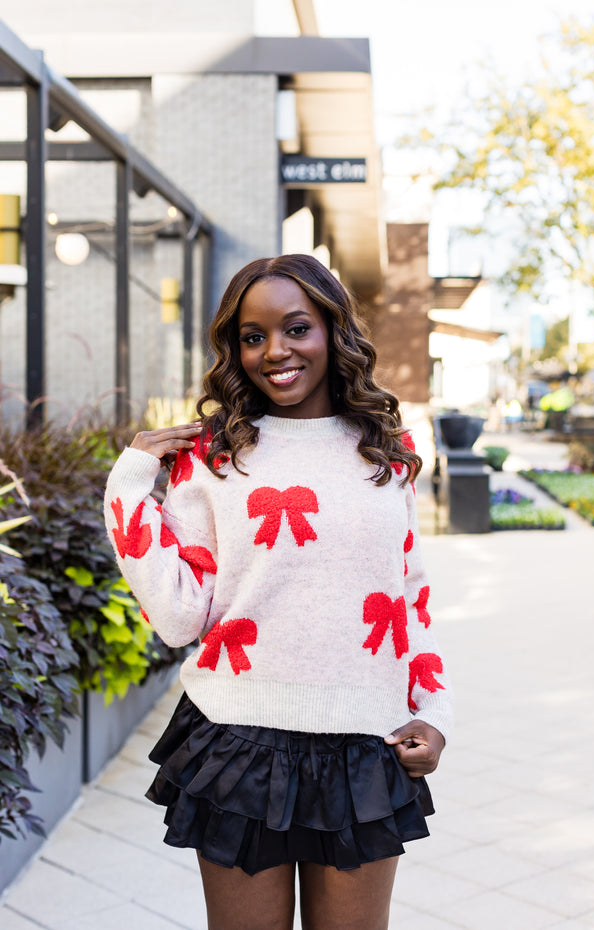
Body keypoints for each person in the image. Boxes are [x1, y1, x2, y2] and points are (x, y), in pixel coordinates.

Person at [104, 254, 453, 930]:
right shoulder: (214, 456)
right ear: (234, 349)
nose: (276, 352)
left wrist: (433, 710)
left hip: (365, 745)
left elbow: (407, 592)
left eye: (296, 328)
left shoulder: (385, 450)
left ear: (332, 330)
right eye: (252, 336)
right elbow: (179, 616)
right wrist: (130, 482)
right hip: (238, 743)